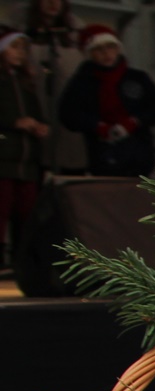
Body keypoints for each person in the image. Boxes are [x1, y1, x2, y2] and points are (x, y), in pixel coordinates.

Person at [57, 25, 155, 177]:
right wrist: (97, 126)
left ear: (118, 49)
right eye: (99, 49)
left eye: (110, 47)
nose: (106, 53)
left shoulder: (137, 78)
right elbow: (69, 114)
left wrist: (133, 122)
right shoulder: (81, 82)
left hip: (139, 153)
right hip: (100, 153)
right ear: (90, 54)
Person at [0, 23, 49, 265]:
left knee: (26, 214)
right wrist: (14, 122)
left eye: (23, 48)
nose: (20, 53)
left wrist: (40, 126)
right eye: (14, 47)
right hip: (4, 160)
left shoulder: (26, 83)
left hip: (27, 161)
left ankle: (22, 262)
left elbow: (37, 114)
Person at [20, 0, 82, 173]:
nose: (53, 3)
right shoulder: (25, 36)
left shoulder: (74, 36)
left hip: (67, 118)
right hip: (36, 110)